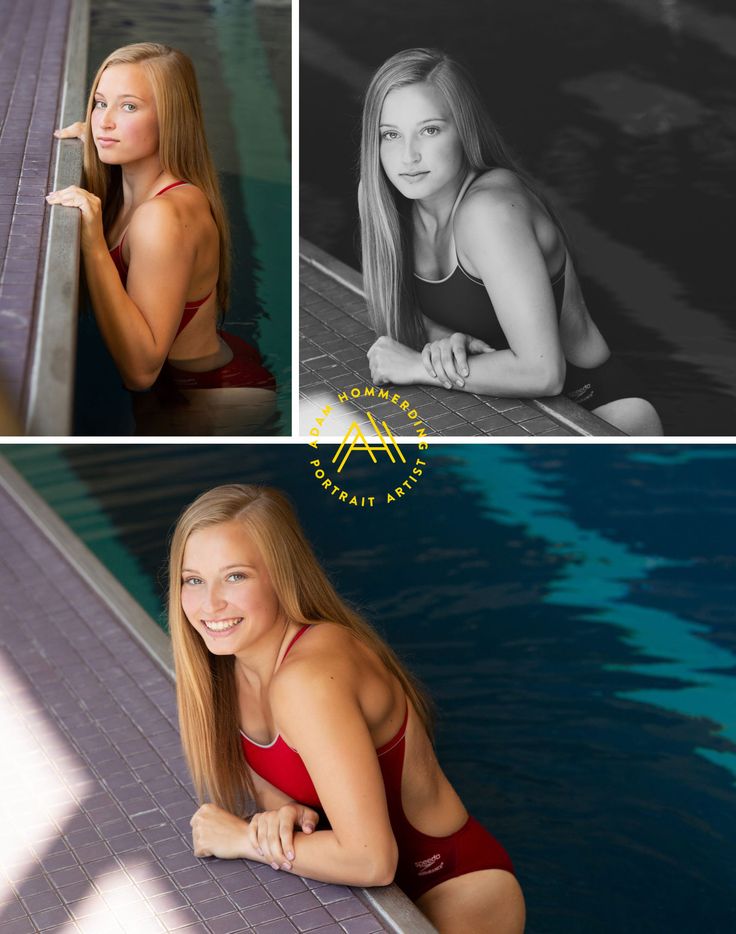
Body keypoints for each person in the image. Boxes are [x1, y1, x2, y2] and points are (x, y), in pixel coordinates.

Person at [169, 485, 525, 934]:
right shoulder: (227, 668)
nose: (210, 604)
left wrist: (242, 839)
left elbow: (371, 860)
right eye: (193, 579)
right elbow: (280, 791)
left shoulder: (308, 680)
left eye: (235, 576)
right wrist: (282, 816)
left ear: (281, 576)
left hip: (450, 891)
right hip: (361, 895)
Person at [359, 48, 662, 436]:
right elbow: (401, 311)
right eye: (390, 135)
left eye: (430, 129)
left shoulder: (491, 212)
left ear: (464, 129)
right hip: (502, 410)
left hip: (594, 414)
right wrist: (443, 341)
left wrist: (420, 366)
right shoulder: (382, 198)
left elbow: (543, 372)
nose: (408, 155)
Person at [47, 43, 276, 435]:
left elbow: (140, 373)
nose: (105, 122)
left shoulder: (162, 216)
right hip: (206, 360)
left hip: (209, 395)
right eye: (101, 103)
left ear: (170, 120)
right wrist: (93, 141)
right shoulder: (135, 186)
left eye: (129, 107)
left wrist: (93, 242)